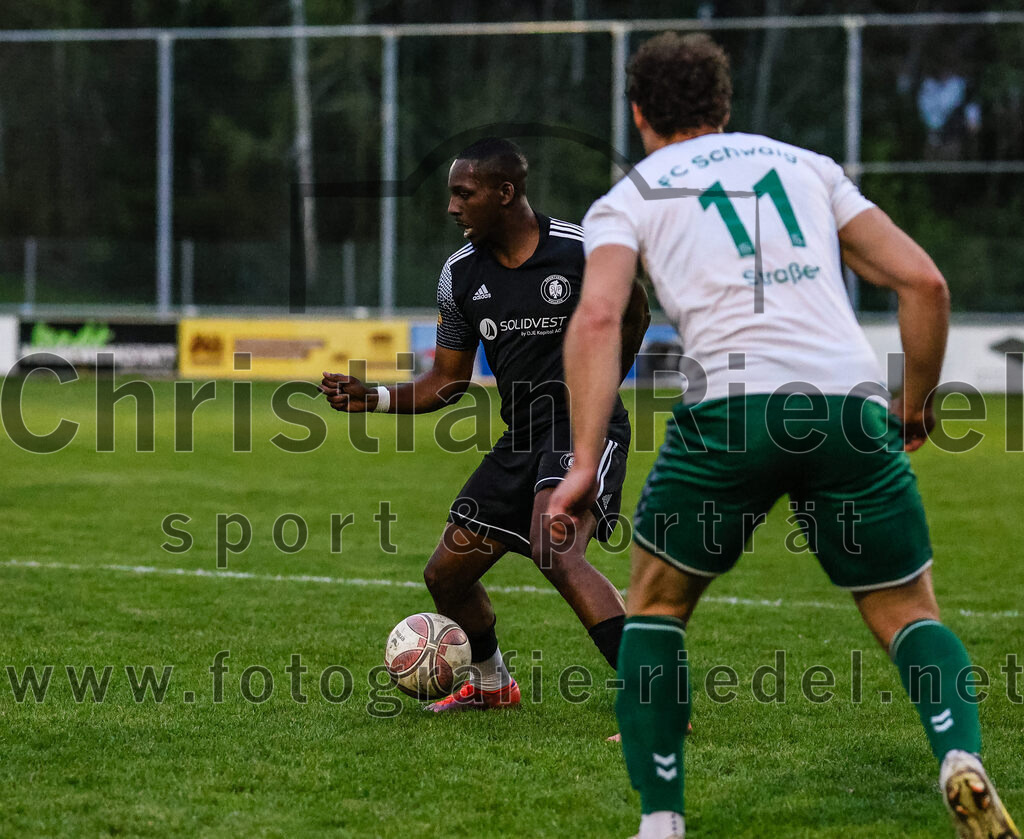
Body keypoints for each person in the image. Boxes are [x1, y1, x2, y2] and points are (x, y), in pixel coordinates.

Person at [549, 32, 1018, 839]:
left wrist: (584, 460)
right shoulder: (808, 166)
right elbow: (924, 281)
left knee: (657, 607)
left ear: (639, 115)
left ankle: (660, 821)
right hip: (843, 406)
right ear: (727, 109)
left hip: (729, 412)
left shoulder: (626, 198)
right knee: (908, 609)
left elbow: (596, 316)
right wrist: (914, 402)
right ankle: (956, 754)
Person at [321, 137, 650, 712]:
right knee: (446, 575)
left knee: (556, 550)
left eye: (462, 193)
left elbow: (636, 310)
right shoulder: (459, 275)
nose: (452, 207)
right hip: (521, 436)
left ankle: (655, 700)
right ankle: (493, 687)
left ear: (506, 193)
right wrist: (371, 397)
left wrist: (601, 390)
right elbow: (446, 381)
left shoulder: (581, 250)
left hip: (581, 431)